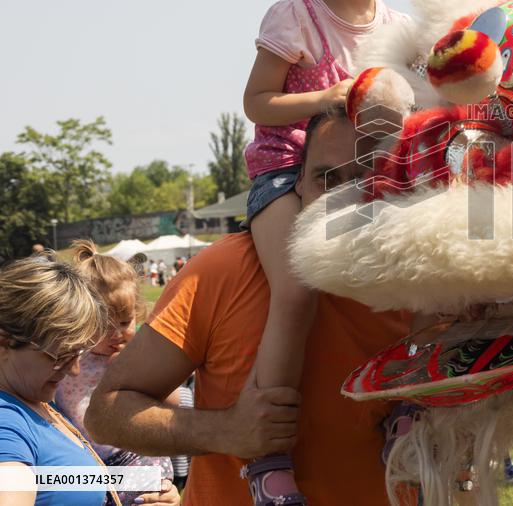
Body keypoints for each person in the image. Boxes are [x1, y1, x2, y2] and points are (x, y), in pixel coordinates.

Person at [85, 110, 411, 506]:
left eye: (366, 178)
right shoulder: (223, 270)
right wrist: (223, 430)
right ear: (299, 186)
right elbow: (106, 411)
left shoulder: (425, 290)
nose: (345, 199)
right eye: (328, 178)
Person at [238, 0, 410, 505]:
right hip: (285, 169)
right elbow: (257, 104)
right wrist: (326, 99)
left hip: (367, 179)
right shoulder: (294, 18)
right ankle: (267, 453)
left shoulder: (399, 31)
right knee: (297, 290)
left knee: (421, 271)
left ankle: (404, 407)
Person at [0, 257, 179, 506]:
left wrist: (149, 488)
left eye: (78, 354)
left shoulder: (33, 400)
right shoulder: (6, 425)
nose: (74, 370)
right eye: (60, 356)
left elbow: (54, 480)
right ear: (5, 343)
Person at [55, 240, 182, 506]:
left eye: (124, 323)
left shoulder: (140, 354)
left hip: (139, 456)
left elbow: (173, 403)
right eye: (103, 326)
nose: (115, 334)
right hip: (91, 463)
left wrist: (144, 368)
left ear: (137, 313)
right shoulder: (70, 360)